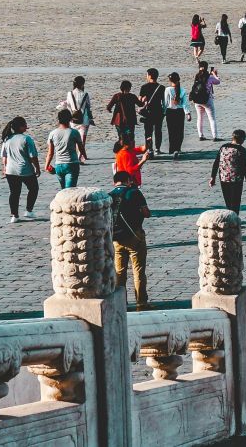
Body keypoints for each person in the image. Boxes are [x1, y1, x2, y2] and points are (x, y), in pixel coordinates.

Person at [108, 169, 151, 311]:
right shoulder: (134, 192)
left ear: (114, 182)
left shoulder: (109, 196)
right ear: (128, 180)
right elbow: (146, 213)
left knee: (120, 272)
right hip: (134, 236)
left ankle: (121, 303)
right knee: (138, 271)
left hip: (117, 239)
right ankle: (141, 303)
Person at [0, 118, 41, 223]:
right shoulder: (26, 139)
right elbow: (33, 156)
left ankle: (14, 215)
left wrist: (4, 168)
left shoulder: (7, 139)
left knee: (14, 192)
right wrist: (37, 168)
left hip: (11, 170)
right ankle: (29, 210)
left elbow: (4, 156)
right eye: (25, 124)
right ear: (21, 127)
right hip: (25, 169)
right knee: (34, 188)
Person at [210, 130, 246, 213]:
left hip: (224, 178)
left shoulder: (223, 147)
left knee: (228, 201)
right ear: (242, 139)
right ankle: (234, 220)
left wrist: (212, 177)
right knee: (235, 201)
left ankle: (230, 218)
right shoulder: (241, 149)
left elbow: (216, 162)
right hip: (236, 179)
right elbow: (244, 166)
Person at [44, 109, 86, 189]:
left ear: (58, 120)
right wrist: (84, 156)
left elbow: (50, 153)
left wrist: (46, 165)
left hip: (59, 165)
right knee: (70, 190)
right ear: (70, 119)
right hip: (72, 164)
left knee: (63, 190)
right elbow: (81, 148)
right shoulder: (74, 132)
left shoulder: (53, 133)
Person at [138, 68, 167, 155]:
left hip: (148, 112)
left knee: (148, 131)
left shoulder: (144, 87)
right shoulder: (161, 87)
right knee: (158, 131)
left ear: (150, 76)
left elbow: (140, 101)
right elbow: (164, 101)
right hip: (158, 112)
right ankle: (157, 149)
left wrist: (143, 100)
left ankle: (150, 149)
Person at [162, 72, 188, 157]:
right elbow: (185, 103)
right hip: (180, 112)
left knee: (171, 131)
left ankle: (172, 149)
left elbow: (165, 103)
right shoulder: (183, 90)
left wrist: (163, 112)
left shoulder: (168, 89)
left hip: (170, 112)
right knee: (180, 131)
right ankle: (178, 148)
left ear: (169, 80)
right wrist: (187, 113)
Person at [192, 63, 220, 141]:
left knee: (200, 118)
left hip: (197, 100)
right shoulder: (210, 77)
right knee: (212, 119)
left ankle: (201, 135)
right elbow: (218, 81)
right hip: (207, 100)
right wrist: (215, 74)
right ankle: (215, 136)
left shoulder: (197, 76)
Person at [107, 80, 138, 149]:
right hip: (130, 121)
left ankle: (122, 151)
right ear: (129, 88)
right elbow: (140, 104)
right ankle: (131, 151)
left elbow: (109, 107)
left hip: (119, 121)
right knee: (130, 135)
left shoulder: (117, 96)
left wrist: (111, 111)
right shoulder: (133, 96)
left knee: (121, 135)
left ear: (121, 87)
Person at [62, 77, 94, 144]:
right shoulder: (85, 94)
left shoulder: (69, 94)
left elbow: (68, 106)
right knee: (82, 142)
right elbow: (88, 107)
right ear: (82, 84)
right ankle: (81, 154)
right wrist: (91, 118)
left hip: (73, 120)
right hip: (84, 121)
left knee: (73, 141)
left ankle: (76, 154)